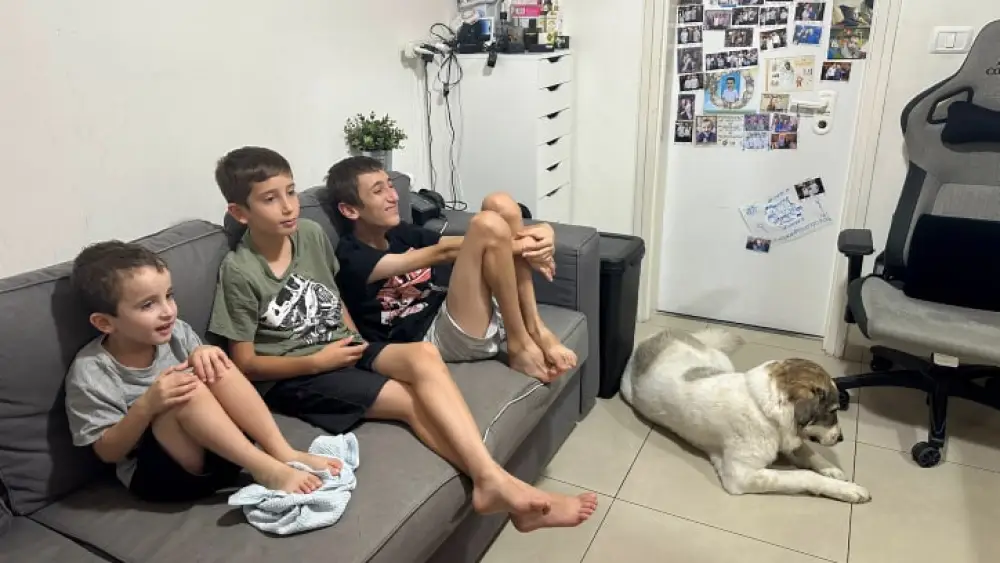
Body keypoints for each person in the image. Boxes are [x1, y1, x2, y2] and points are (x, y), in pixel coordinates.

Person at [209, 147, 596, 532]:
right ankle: (495, 481)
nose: (288, 207)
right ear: (240, 213)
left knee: (423, 355)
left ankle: (492, 483)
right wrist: (317, 361)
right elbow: (244, 365)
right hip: (300, 374)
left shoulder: (308, 235)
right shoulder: (239, 271)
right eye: (270, 199)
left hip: (347, 347)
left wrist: (354, 338)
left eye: (291, 192)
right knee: (411, 402)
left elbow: (331, 294)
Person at [63, 241, 341, 503]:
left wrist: (205, 353)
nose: (168, 311)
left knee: (214, 362)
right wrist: (147, 406)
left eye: (169, 296)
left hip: (223, 454)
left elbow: (212, 379)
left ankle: (283, 453)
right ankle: (267, 469)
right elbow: (107, 452)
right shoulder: (91, 371)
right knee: (186, 389)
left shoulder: (177, 332)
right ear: (105, 323)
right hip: (164, 477)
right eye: (148, 305)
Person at [326, 156, 579, 383]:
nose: (394, 197)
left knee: (499, 203)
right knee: (486, 224)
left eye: (390, 186)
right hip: (433, 335)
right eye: (378, 191)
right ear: (350, 210)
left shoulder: (398, 232)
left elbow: (461, 244)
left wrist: (544, 232)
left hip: (456, 310)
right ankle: (520, 345)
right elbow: (444, 252)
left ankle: (536, 328)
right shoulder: (350, 258)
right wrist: (526, 244)